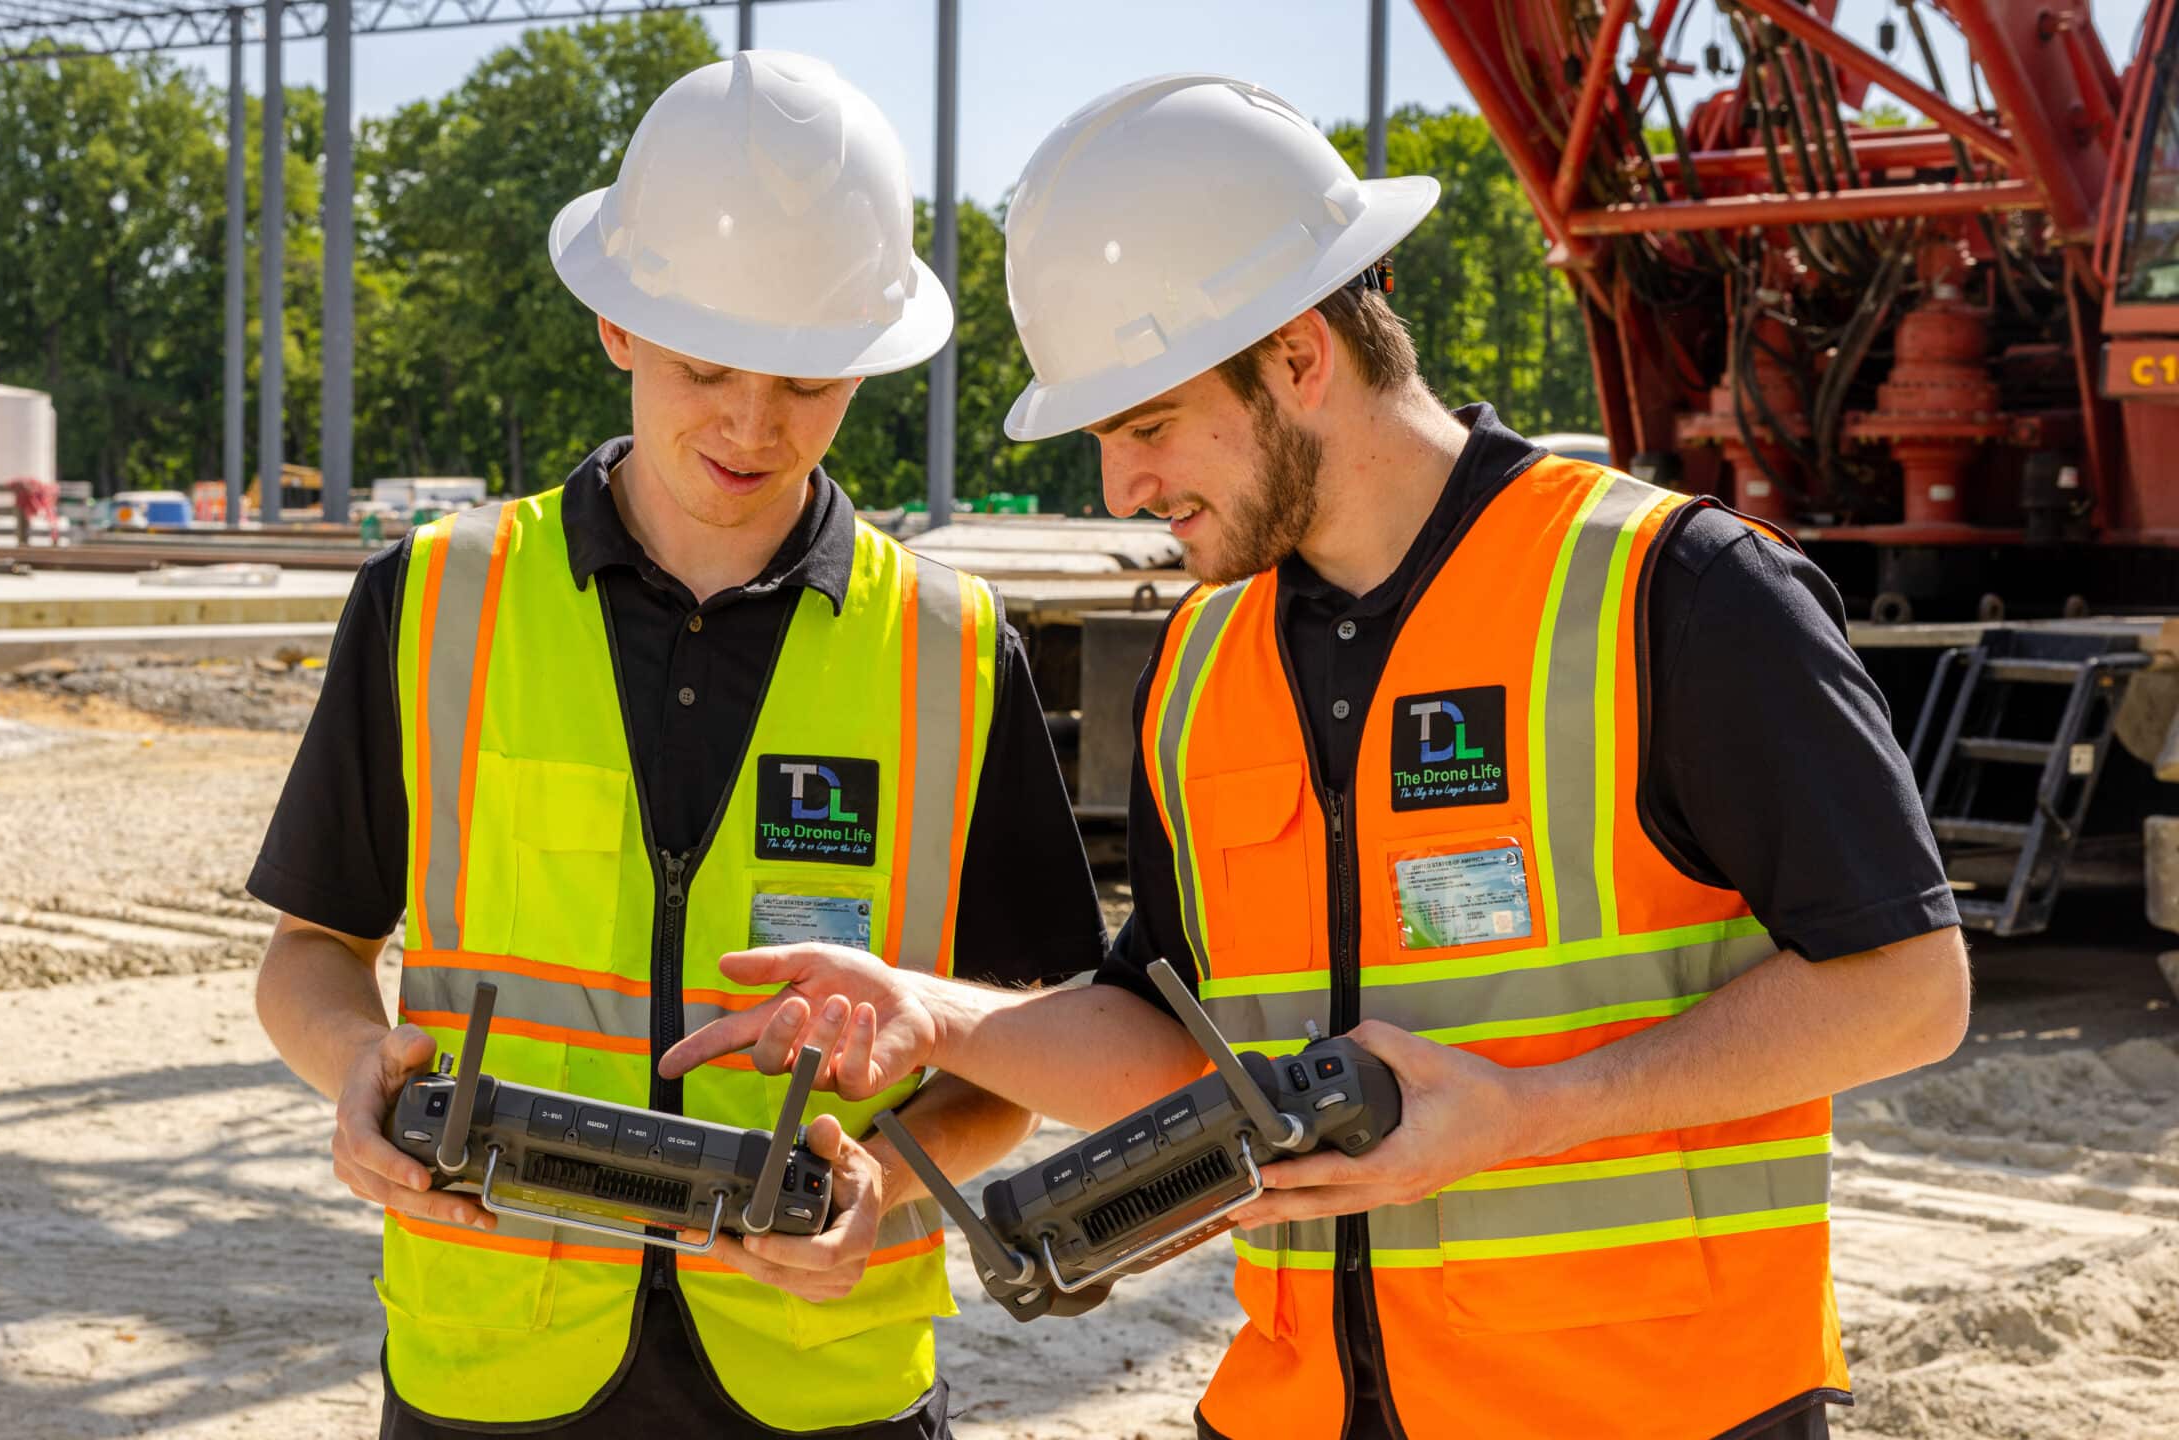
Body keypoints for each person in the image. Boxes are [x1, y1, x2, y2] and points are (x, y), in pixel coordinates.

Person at [658, 73, 1972, 1440]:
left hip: (1655, 1410)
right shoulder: (1200, 666)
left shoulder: (1673, 592)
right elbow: (1175, 1044)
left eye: (1148, 424)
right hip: (1302, 1410)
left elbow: (1907, 991)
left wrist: (1532, 1112)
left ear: (1297, 356)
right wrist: (935, 1016)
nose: (1122, 487)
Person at [247, 52, 1105, 1440]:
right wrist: (353, 1062)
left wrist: (884, 1185)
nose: (754, 427)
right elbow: (310, 955)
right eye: (708, 367)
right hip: (497, 1366)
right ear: (615, 326)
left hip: (822, 1376)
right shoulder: (433, 603)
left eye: (811, 381)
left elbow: (1019, 1055)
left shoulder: (951, 649)